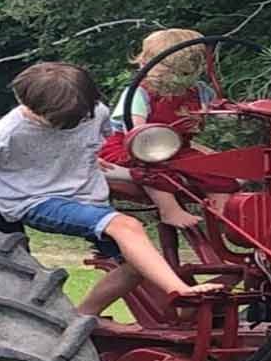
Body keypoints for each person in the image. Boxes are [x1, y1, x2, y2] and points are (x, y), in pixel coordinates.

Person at [0, 61, 221, 317]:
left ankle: (81, 318)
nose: (74, 123)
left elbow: (102, 140)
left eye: (80, 117)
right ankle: (182, 291)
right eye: (57, 121)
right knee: (126, 226)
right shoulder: (6, 130)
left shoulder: (95, 112)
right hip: (36, 201)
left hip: (88, 198)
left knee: (134, 264)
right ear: (28, 103)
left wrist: (97, 156)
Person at [100, 28, 239, 229]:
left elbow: (219, 116)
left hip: (178, 150)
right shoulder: (140, 93)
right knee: (154, 170)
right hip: (138, 148)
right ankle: (169, 210)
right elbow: (138, 133)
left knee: (217, 171)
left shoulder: (200, 91)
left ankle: (223, 218)